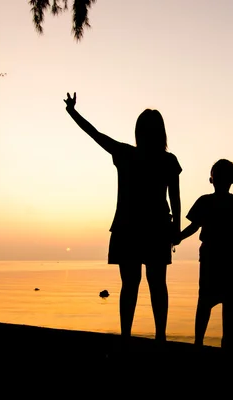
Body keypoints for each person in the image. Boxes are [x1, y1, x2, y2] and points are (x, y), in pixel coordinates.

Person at [63, 92, 182, 345]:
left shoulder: (127, 154)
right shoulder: (166, 160)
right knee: (156, 285)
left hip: (129, 229)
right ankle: (159, 337)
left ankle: (127, 336)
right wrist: (177, 229)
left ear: (139, 131)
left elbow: (95, 134)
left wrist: (73, 112)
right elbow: (176, 199)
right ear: (161, 132)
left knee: (131, 285)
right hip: (156, 229)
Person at [173, 159, 233, 348]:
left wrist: (178, 238)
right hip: (222, 256)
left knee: (210, 301)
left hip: (220, 255)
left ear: (211, 179)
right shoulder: (232, 202)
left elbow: (194, 226)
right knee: (222, 303)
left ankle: (204, 342)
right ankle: (219, 344)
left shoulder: (209, 201)